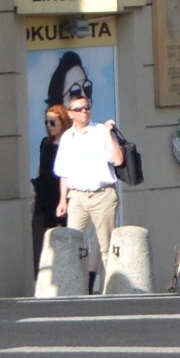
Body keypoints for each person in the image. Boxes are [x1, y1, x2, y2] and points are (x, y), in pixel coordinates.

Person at [53, 93, 122, 294]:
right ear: (70, 113)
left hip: (102, 195)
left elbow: (118, 160)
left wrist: (109, 134)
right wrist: (62, 200)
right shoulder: (67, 137)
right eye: (79, 109)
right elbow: (63, 172)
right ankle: (74, 289)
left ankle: (110, 291)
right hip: (77, 196)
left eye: (87, 107)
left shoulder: (101, 131)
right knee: (72, 243)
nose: (85, 111)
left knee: (106, 247)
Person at [31, 104, 72, 275]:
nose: (49, 126)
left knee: (66, 233)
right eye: (46, 122)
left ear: (62, 122)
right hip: (46, 194)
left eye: (53, 122)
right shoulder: (45, 144)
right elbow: (41, 169)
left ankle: (67, 272)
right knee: (47, 236)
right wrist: (34, 195)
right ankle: (49, 273)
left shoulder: (70, 143)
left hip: (63, 193)